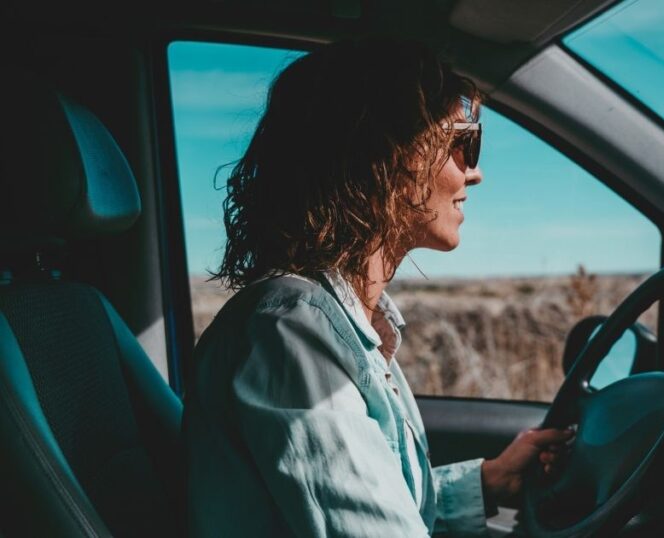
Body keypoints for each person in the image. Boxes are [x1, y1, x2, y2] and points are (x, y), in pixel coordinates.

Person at [182, 38, 575, 537]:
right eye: (463, 143)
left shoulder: (340, 321)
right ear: (385, 158)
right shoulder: (290, 330)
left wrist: (487, 483)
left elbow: (372, 506)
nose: (474, 173)